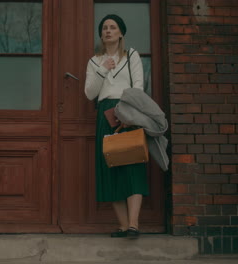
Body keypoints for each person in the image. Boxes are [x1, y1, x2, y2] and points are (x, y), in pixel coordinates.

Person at [84, 14, 149, 238]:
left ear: (121, 33)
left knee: (132, 167)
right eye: (104, 28)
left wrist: (128, 113)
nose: (108, 31)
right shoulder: (94, 61)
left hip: (128, 112)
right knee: (110, 168)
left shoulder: (131, 56)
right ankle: (123, 226)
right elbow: (90, 93)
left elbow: (138, 86)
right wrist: (103, 69)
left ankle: (133, 225)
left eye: (112, 27)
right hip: (105, 115)